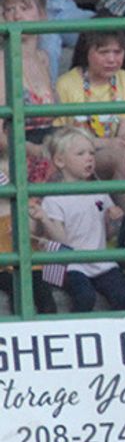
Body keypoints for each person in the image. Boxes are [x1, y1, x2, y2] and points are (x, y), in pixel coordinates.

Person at [29, 127, 125, 312]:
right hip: (70, 264)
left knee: (123, 295)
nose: (89, 158)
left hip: (100, 260)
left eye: (92, 153)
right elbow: (62, 242)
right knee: (85, 296)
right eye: (80, 154)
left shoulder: (99, 191)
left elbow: (108, 234)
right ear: (60, 161)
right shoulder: (54, 197)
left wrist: (114, 220)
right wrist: (44, 219)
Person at [55, 28, 125, 181]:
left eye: (117, 52)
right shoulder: (65, 83)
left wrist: (113, 145)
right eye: (103, 52)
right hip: (75, 154)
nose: (111, 59)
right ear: (86, 52)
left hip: (118, 149)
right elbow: (60, 135)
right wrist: (108, 143)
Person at [0, 117, 57, 315]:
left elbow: (35, 229)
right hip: (3, 260)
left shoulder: (28, 165)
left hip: (30, 260)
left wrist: (32, 223)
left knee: (45, 297)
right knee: (16, 290)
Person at [0, 0, 58, 150]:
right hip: (19, 151)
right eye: (9, 10)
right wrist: (33, 150)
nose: (17, 16)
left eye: (25, 9)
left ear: (42, 15)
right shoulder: (1, 63)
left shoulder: (43, 58)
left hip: (49, 143)